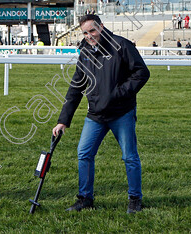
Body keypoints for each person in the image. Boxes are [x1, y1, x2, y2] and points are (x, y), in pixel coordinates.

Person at [52, 14, 150, 213]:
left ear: (101, 27)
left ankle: (135, 199)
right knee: (84, 153)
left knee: (129, 156)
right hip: (95, 115)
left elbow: (142, 73)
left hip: (122, 112)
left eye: (92, 30)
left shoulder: (121, 45)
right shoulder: (85, 51)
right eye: (85, 33)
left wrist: (118, 94)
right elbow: (75, 88)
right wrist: (63, 120)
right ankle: (85, 198)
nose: (89, 36)